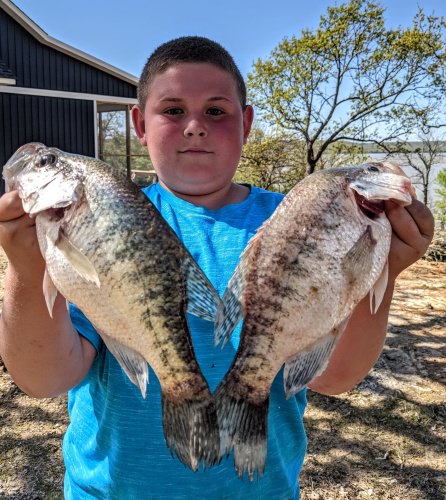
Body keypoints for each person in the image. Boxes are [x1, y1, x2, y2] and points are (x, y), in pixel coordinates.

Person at [0, 36, 434, 499]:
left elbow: (335, 377)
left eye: (215, 111)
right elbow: (43, 379)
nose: (194, 127)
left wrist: (380, 271)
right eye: (171, 110)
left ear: (246, 123)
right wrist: (26, 266)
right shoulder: (103, 226)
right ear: (139, 125)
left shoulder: (294, 221)